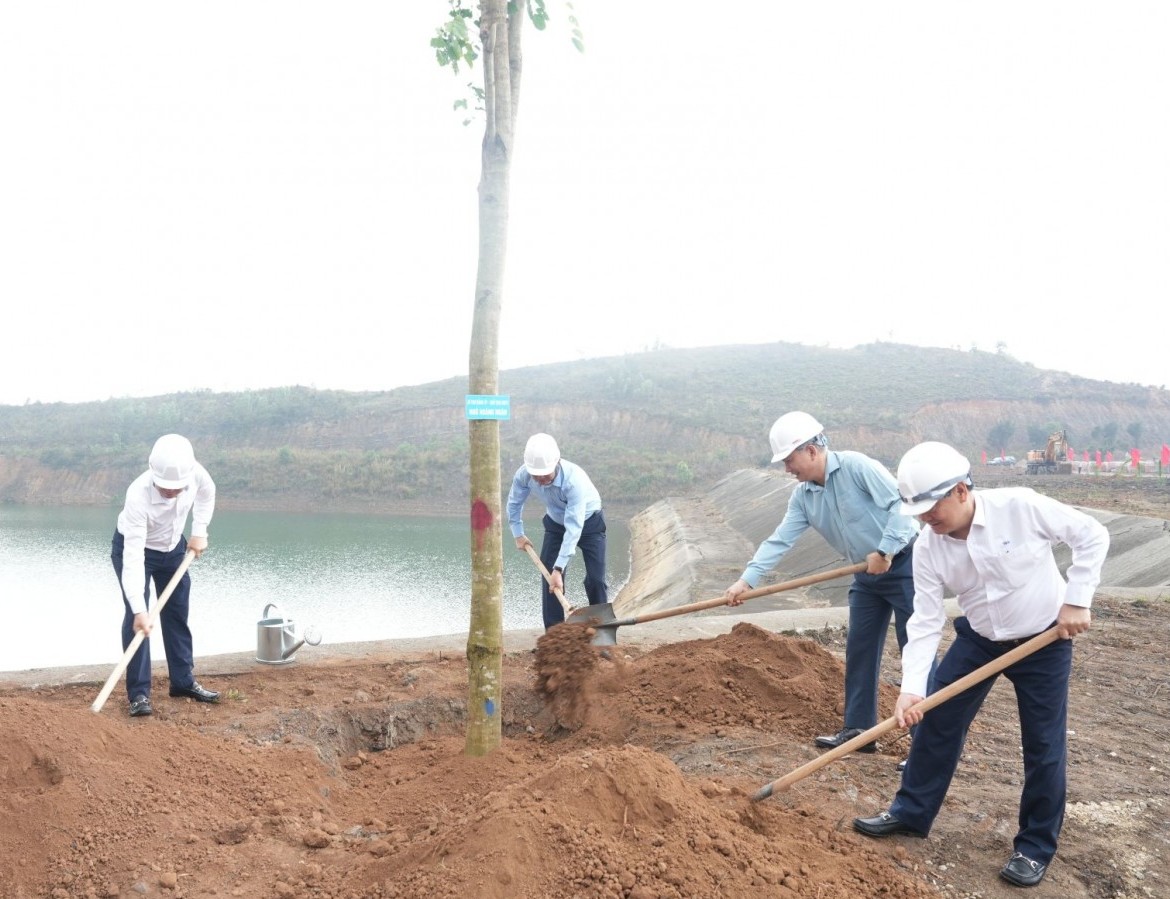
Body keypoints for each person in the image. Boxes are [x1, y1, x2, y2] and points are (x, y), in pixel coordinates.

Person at [852, 441, 1109, 889]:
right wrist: (912, 688)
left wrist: (1077, 599)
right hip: (979, 639)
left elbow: (1092, 535)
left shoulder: (1021, 507)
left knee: (1044, 745)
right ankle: (911, 813)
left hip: (1044, 641)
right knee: (934, 720)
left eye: (932, 506)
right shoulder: (929, 545)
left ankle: (1034, 848)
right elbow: (927, 619)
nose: (925, 517)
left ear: (961, 490)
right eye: (918, 509)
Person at [724, 411, 922, 756]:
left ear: (812, 450)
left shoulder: (857, 467)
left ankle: (926, 747)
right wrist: (747, 580)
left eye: (790, 460)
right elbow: (780, 540)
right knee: (859, 649)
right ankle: (859, 731)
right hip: (864, 575)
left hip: (906, 565)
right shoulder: (803, 497)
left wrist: (885, 550)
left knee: (915, 653)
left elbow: (901, 506)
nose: (787, 469)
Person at [111, 433, 220, 717]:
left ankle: (183, 682)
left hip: (173, 549)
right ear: (153, 474)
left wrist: (199, 532)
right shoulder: (138, 494)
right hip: (136, 550)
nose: (171, 492)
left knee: (176, 612)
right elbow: (133, 557)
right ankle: (138, 694)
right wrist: (138, 608)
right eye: (165, 488)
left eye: (177, 488)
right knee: (137, 621)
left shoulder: (195, 473)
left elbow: (208, 494)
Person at [506, 433, 608, 629]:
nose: (541, 479)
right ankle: (555, 635)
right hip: (555, 524)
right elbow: (514, 502)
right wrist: (518, 533)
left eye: (545, 473)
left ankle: (601, 632)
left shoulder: (573, 481)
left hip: (589, 524)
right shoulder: (524, 475)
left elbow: (574, 527)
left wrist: (559, 568)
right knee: (549, 581)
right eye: (537, 475)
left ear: (556, 463)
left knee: (596, 580)